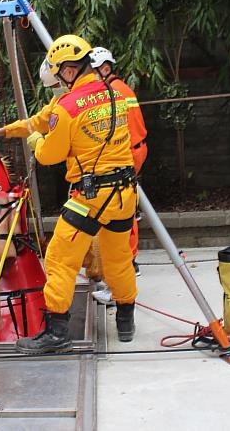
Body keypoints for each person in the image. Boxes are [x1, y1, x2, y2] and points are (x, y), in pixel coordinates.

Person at [14, 35, 138, 354]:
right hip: (124, 194)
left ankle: (56, 331)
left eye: (58, 75)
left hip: (91, 197)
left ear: (68, 71)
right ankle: (125, 319)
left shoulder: (67, 106)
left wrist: (36, 143)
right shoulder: (116, 93)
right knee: (118, 259)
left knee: (59, 258)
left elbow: (50, 156)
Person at [88, 47, 148, 304]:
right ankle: (126, 266)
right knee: (126, 209)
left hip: (126, 155)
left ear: (103, 68)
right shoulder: (122, 88)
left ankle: (124, 270)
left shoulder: (112, 93)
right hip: (134, 150)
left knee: (121, 212)